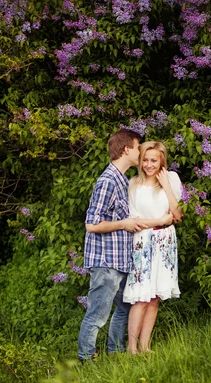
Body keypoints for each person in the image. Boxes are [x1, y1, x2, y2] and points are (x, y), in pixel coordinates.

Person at [77, 130, 174, 361]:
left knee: (126, 308)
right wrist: (125, 223)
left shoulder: (121, 180)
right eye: (137, 146)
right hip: (105, 260)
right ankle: (86, 358)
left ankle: (116, 352)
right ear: (126, 150)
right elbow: (91, 224)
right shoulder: (107, 181)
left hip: (120, 260)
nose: (140, 151)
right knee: (98, 314)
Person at [123, 141, 183, 354]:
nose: (149, 164)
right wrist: (159, 219)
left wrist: (165, 184)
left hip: (165, 243)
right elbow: (133, 220)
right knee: (141, 296)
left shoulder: (172, 179)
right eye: (145, 160)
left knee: (154, 297)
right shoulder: (133, 184)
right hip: (142, 243)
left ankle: (145, 346)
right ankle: (132, 349)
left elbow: (178, 215)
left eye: (154, 160)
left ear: (162, 161)